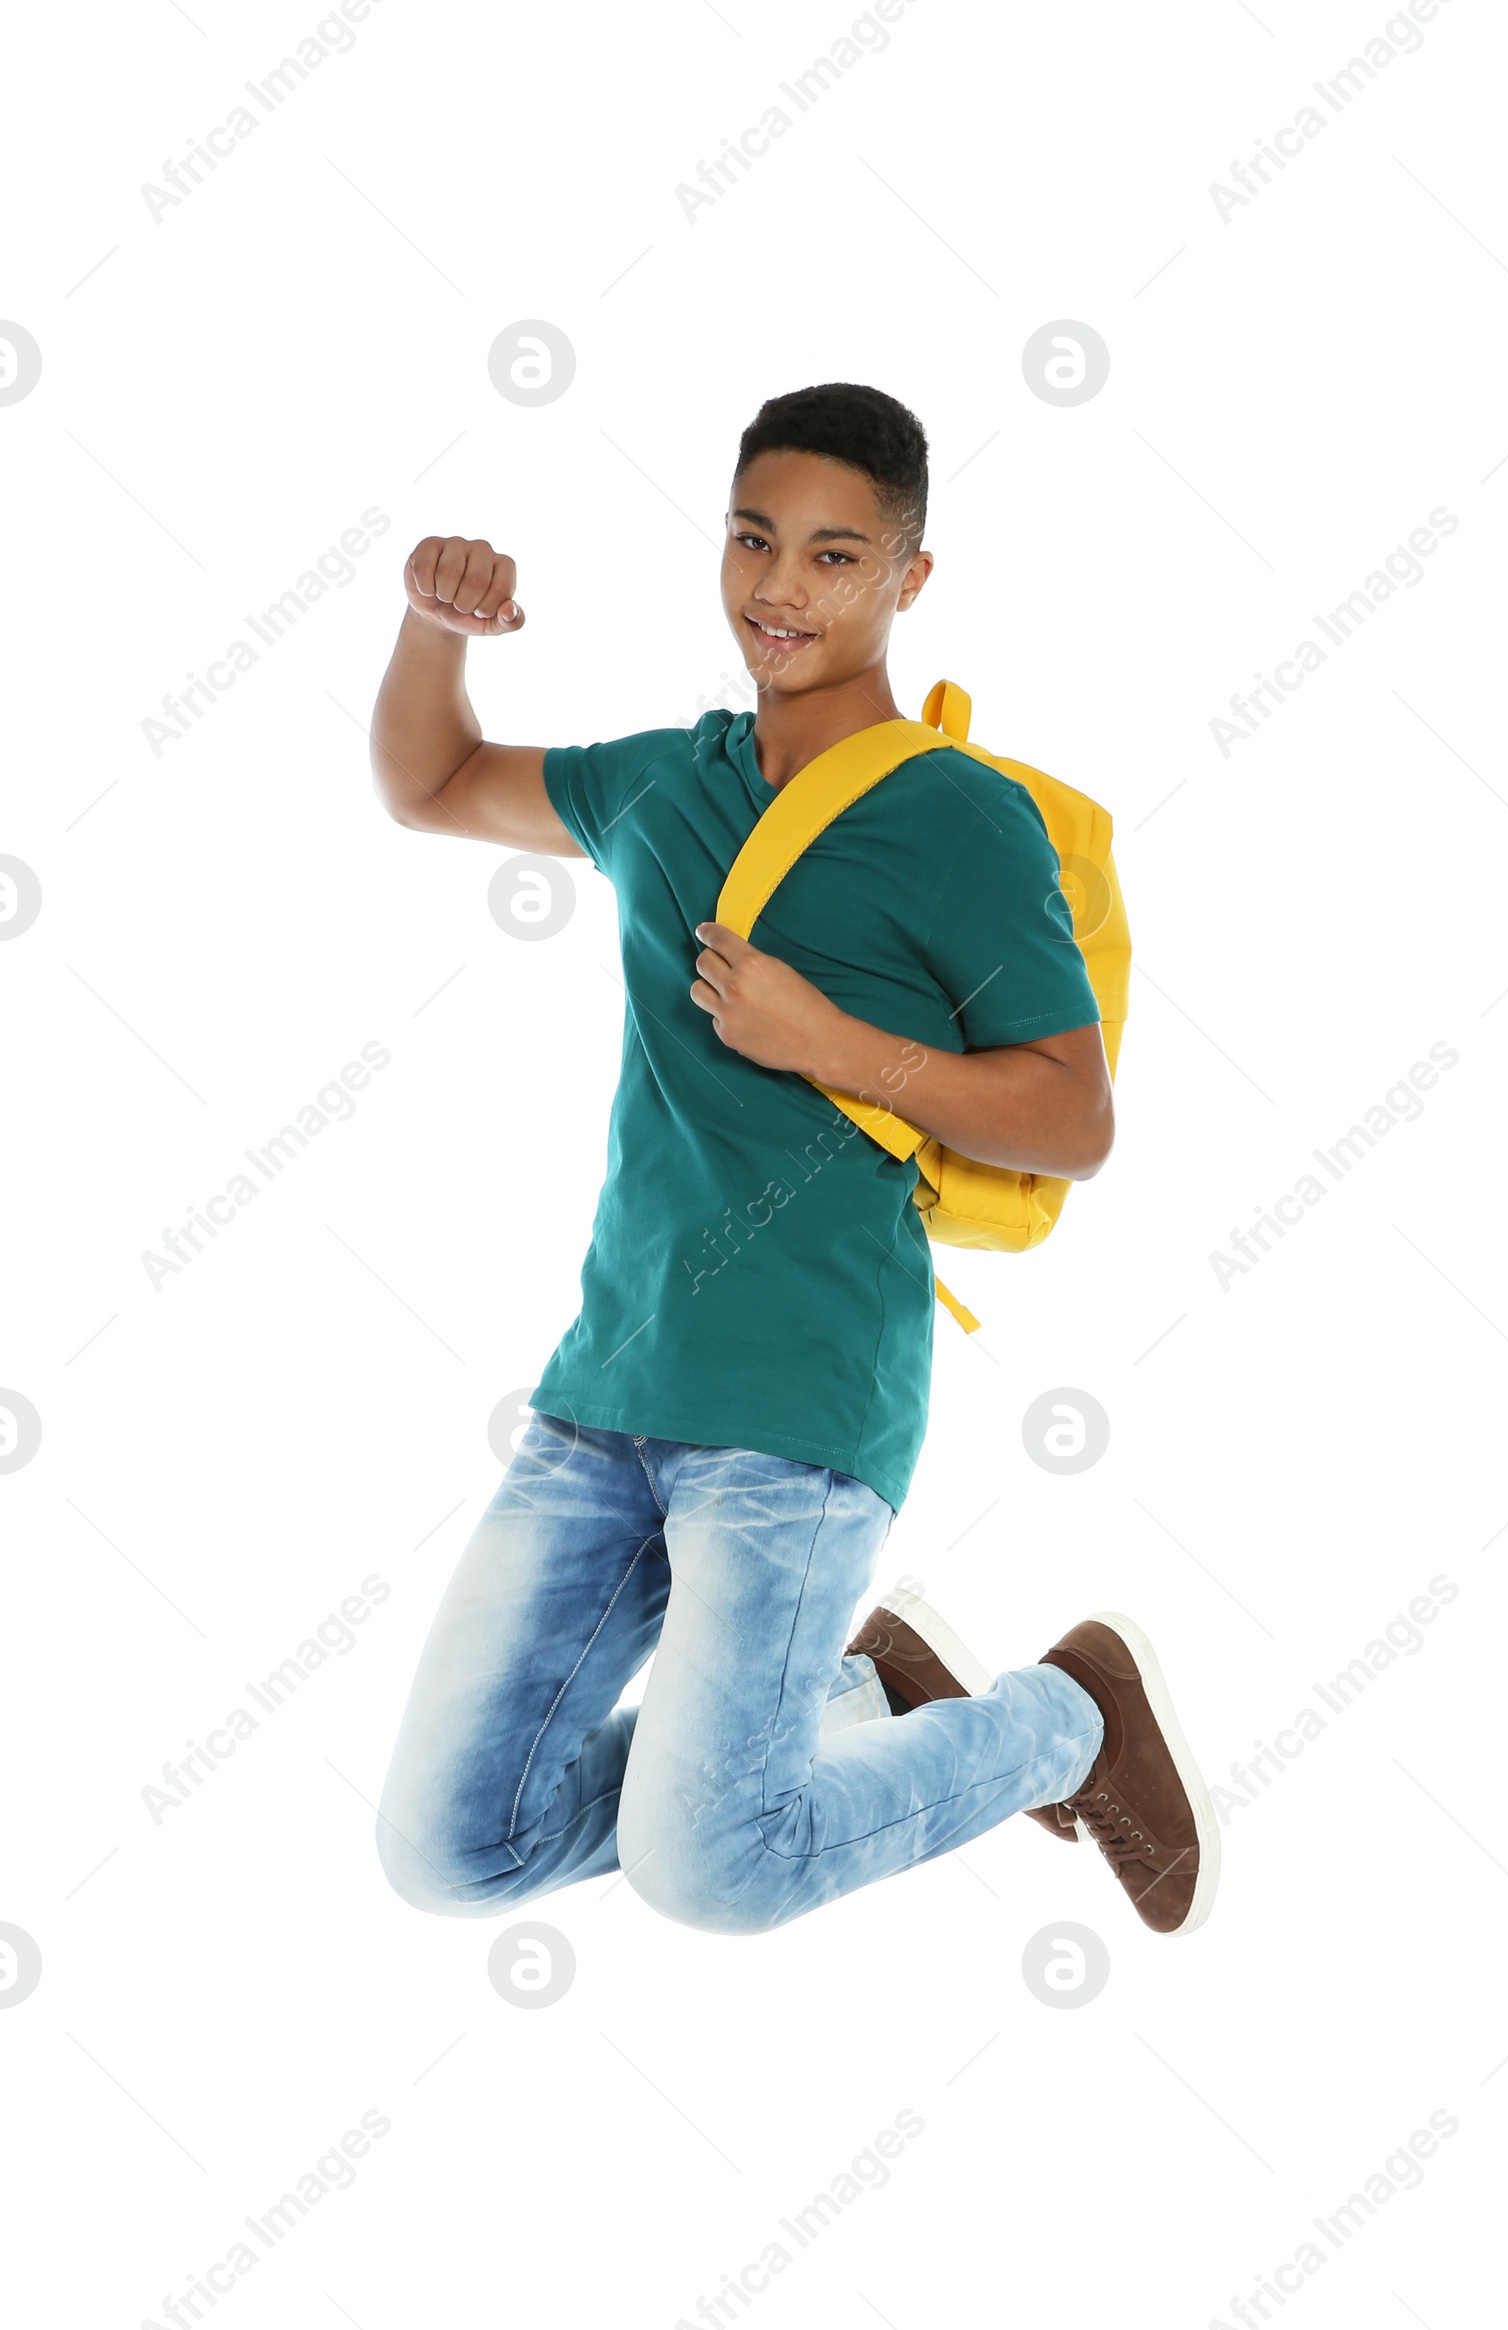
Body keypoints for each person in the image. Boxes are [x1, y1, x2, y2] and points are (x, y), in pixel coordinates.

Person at [368, 381, 1218, 1938]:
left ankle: (1066, 1715)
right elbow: (429, 783)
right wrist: (437, 629)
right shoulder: (660, 782)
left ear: (910, 577)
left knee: (717, 1863)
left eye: (835, 556)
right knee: (453, 1844)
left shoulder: (959, 820)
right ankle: (845, 1689)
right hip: (606, 1390)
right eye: (756, 539)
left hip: (802, 1408)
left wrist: (831, 1042)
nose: (781, 587)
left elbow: (1073, 1115)